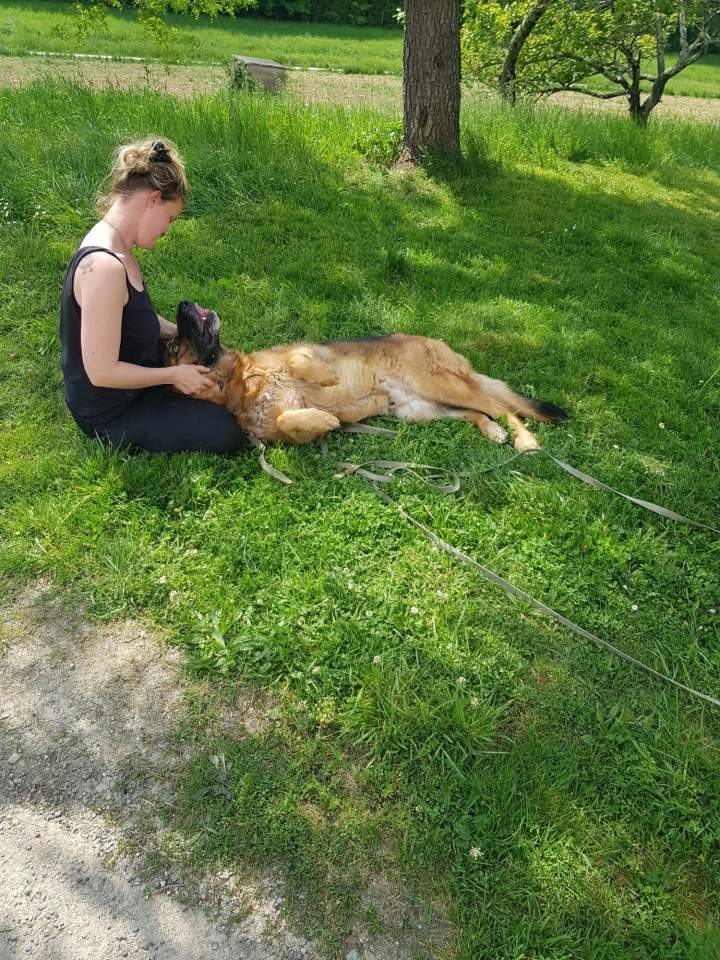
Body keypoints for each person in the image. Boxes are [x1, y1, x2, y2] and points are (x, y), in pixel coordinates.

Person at [60, 137, 247, 454]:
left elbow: (133, 318)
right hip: (111, 410)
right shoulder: (104, 268)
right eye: (170, 218)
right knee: (226, 430)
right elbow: (101, 371)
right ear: (153, 199)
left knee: (217, 390)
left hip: (136, 382)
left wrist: (184, 333)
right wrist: (173, 374)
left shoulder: (118, 246)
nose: (166, 231)